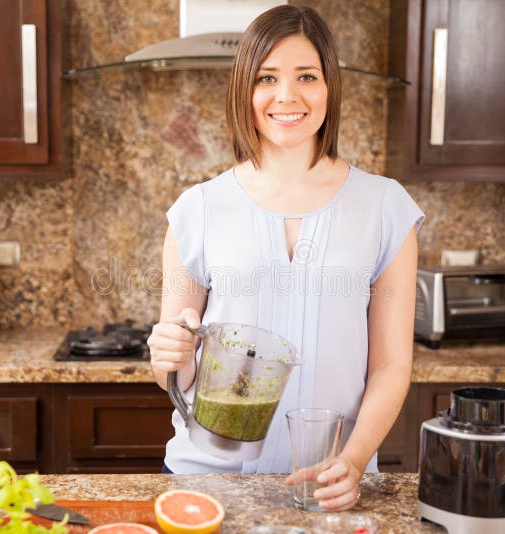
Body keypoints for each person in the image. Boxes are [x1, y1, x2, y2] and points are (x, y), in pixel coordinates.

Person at [146, 4, 424, 512]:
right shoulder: (198, 209)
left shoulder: (386, 209)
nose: (287, 96)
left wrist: (356, 460)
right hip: (209, 481)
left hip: (330, 483)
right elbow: (179, 366)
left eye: (306, 77)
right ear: (244, 91)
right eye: (267, 77)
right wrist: (169, 353)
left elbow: (390, 365)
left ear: (329, 87)